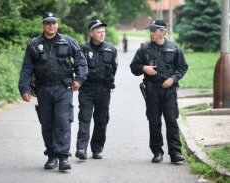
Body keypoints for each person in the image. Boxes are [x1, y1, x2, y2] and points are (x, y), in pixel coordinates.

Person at [18, 12, 88, 171]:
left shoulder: (68, 41)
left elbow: (81, 63)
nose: (51, 25)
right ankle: (51, 156)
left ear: (57, 24)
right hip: (43, 89)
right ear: (43, 24)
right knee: (47, 123)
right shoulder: (34, 44)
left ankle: (63, 157)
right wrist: (24, 88)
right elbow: (27, 69)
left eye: (53, 23)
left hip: (64, 88)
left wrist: (79, 79)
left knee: (63, 121)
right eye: (48, 23)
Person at [130, 20, 188, 163]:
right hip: (152, 90)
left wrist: (173, 79)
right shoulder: (144, 49)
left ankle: (175, 153)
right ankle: (157, 152)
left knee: (171, 121)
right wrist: (143, 68)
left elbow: (182, 67)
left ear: (163, 32)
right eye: (150, 30)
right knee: (154, 122)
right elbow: (134, 67)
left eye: (154, 30)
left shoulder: (174, 48)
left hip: (169, 91)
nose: (151, 33)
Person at [75, 20, 118, 160]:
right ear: (91, 33)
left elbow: (114, 68)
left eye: (103, 32)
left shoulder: (111, 49)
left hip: (104, 89)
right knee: (85, 118)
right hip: (87, 89)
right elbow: (77, 67)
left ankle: (97, 149)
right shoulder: (82, 49)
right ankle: (81, 148)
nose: (102, 34)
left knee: (101, 120)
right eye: (99, 32)